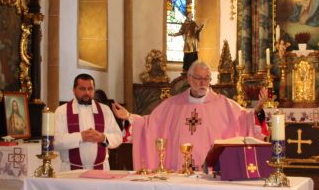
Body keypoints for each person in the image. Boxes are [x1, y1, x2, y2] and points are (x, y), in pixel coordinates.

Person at [112, 60, 270, 172]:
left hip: (210, 173)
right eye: (198, 78)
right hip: (177, 170)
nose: (203, 83)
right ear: (189, 78)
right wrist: (129, 116)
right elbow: (151, 124)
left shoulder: (224, 104)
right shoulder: (173, 105)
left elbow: (245, 119)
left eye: (206, 79)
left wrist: (257, 108)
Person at [54, 74, 123, 171]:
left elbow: (118, 137)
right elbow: (56, 141)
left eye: (90, 89)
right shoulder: (62, 111)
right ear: (74, 90)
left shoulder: (105, 110)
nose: (87, 92)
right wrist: (81, 136)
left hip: (101, 170)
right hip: (70, 171)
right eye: (82, 89)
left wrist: (103, 138)